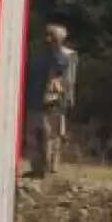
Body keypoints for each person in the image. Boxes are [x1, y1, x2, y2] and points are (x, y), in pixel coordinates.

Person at [23, 21, 79, 178]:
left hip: (52, 104)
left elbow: (65, 73)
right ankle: (38, 169)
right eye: (47, 34)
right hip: (35, 102)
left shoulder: (64, 56)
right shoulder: (38, 55)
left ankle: (48, 169)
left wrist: (56, 48)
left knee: (50, 137)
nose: (48, 39)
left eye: (52, 36)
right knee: (34, 137)